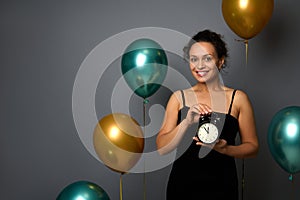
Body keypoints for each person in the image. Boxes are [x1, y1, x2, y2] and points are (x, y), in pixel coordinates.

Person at [156, 29, 259, 200]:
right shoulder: (179, 98)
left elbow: (252, 147)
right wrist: (186, 122)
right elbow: (162, 148)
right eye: (194, 59)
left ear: (220, 61)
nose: (200, 65)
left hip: (223, 186)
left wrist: (226, 149)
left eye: (207, 58)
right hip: (182, 186)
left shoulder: (238, 98)